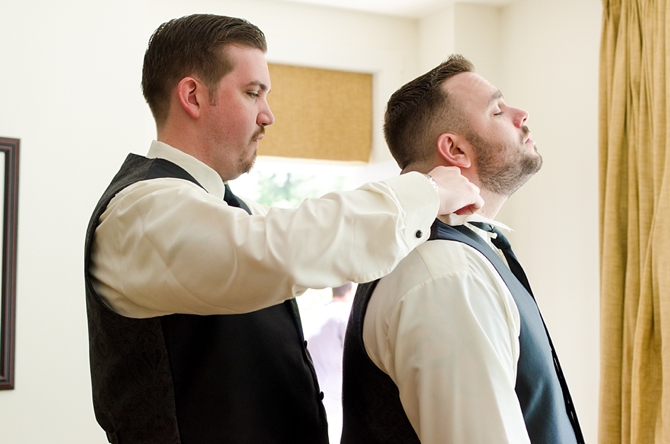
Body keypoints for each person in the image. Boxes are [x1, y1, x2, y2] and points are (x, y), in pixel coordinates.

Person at [83, 14, 483, 444]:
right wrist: (426, 191)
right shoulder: (139, 211)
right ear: (193, 96)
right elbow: (282, 247)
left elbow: (306, 235)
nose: (268, 116)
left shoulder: (232, 209)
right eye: (252, 93)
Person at [341, 55, 585, 444]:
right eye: (497, 110)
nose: (521, 115)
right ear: (455, 149)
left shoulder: (460, 255)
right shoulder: (445, 274)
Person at [303, 282, 357, 443]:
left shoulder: (316, 311)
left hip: (313, 389)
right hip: (334, 397)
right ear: (351, 290)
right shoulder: (346, 315)